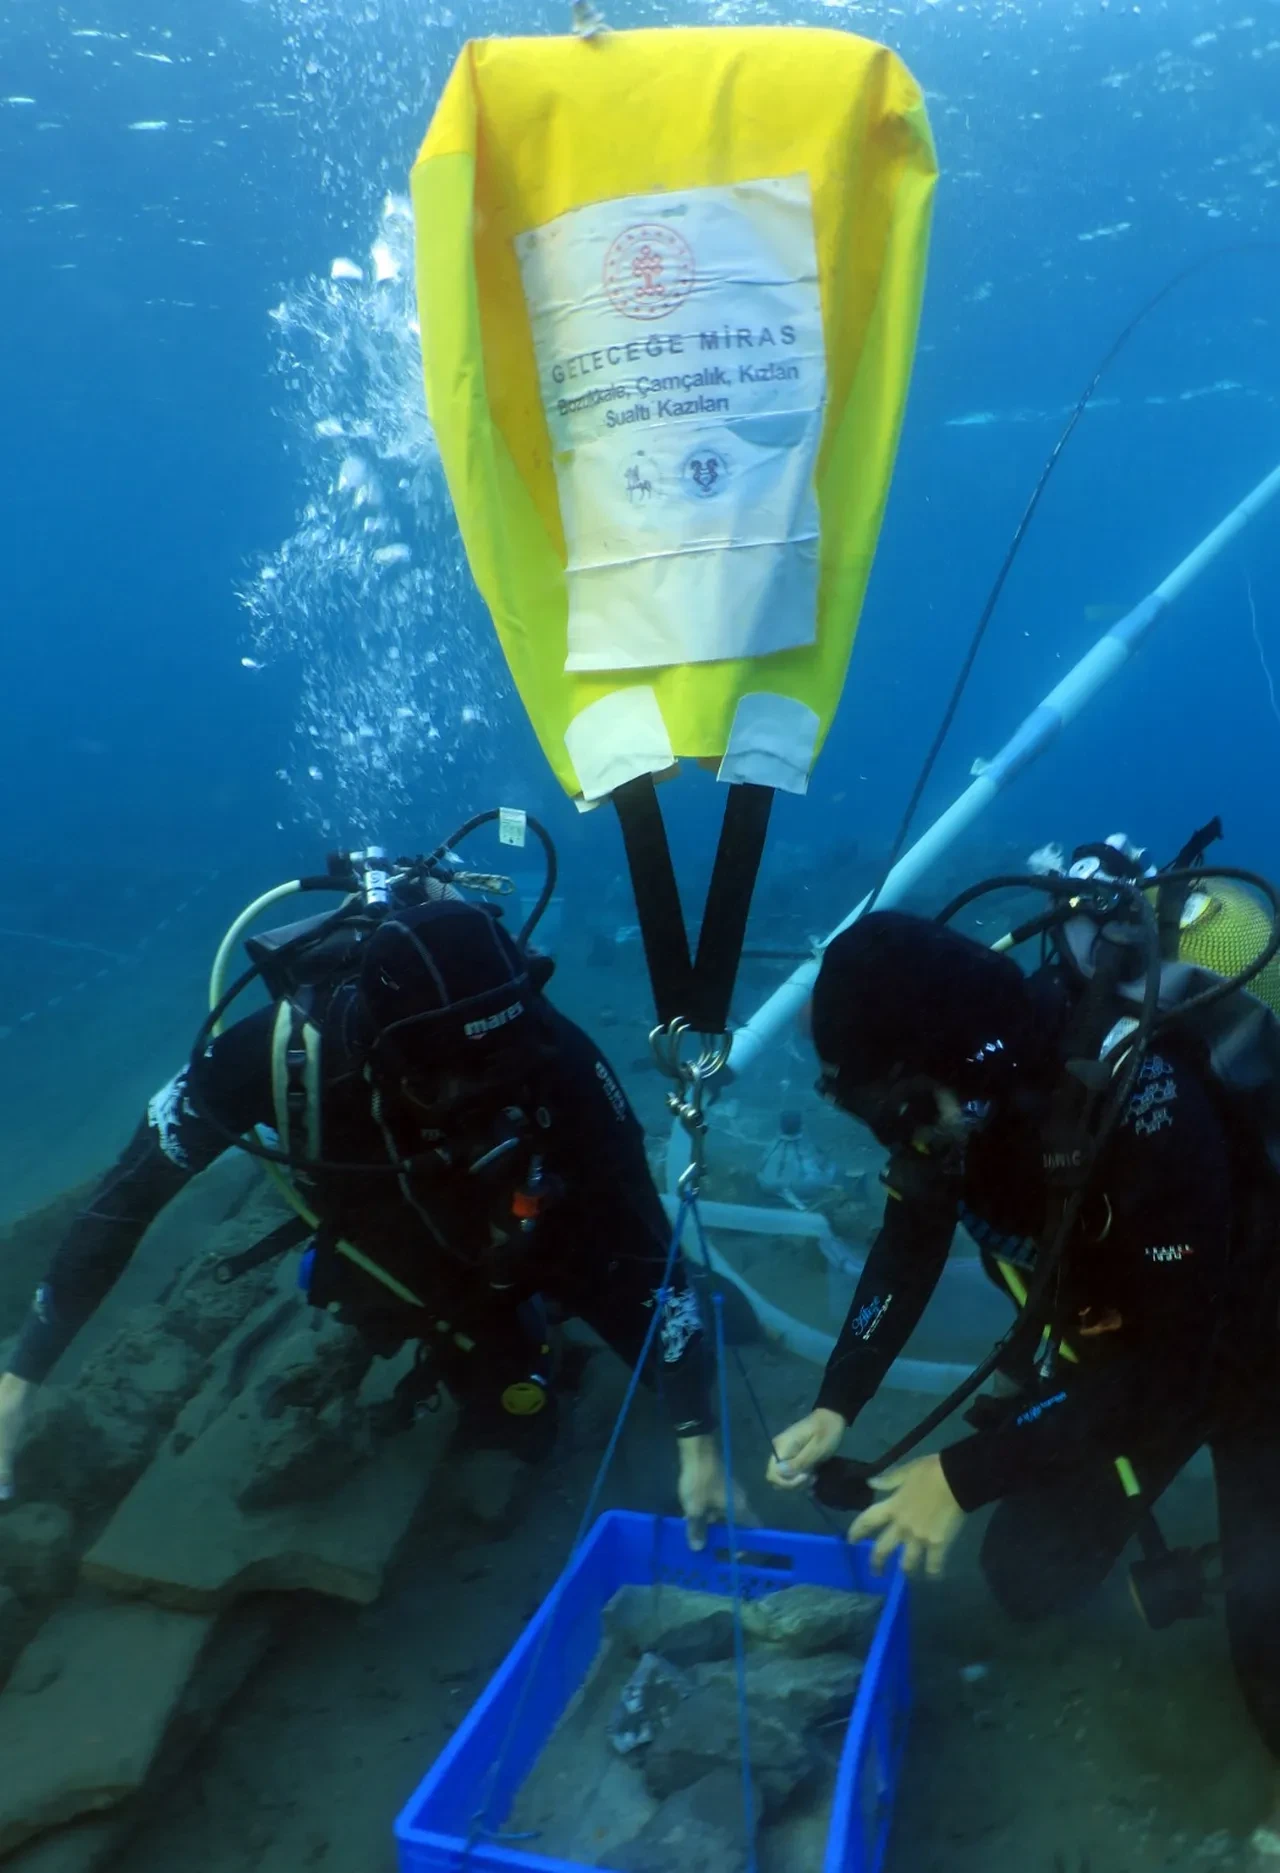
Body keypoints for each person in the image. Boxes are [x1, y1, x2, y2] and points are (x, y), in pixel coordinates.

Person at [0, 897, 746, 1550]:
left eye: (497, 1068)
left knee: (666, 1336)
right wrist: (21, 1372)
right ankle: (493, 1350)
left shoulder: (551, 1051)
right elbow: (131, 1191)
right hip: (412, 1243)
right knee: (500, 1395)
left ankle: (564, 1306)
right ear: (380, 1048)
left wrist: (697, 1438)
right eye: (446, 1078)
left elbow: (641, 1224)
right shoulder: (273, 1054)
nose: (473, 1097)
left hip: (548, 1219)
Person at [766, 907, 1280, 1844]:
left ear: (967, 1063)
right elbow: (910, 1237)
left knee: (1270, 1663)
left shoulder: (1142, 1101)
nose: (903, 1139)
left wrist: (964, 1475)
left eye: (904, 1109)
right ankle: (1223, 1560)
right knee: (1026, 1577)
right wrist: (840, 1398)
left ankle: (1241, 1571)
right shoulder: (953, 1115)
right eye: (880, 1114)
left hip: (1251, 1353)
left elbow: (1176, 1369)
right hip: (1129, 1360)